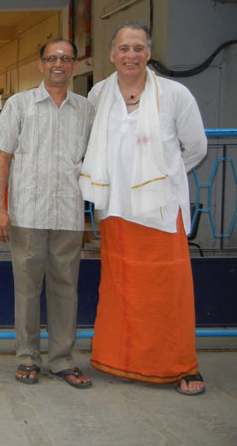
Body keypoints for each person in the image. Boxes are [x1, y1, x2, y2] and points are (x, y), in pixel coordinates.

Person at [80, 22, 208, 395]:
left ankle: (183, 366)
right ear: (112, 55)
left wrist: (157, 178)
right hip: (117, 211)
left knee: (169, 293)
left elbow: (196, 147)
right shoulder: (100, 94)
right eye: (123, 48)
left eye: (138, 48)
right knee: (124, 292)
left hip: (159, 211)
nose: (130, 55)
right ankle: (122, 362)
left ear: (148, 54)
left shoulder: (174, 94)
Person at [0, 39, 94, 388]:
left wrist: (93, 214)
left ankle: (63, 359)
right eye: (51, 58)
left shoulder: (86, 110)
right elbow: (1, 157)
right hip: (27, 213)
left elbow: (95, 163)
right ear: (41, 65)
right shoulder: (20, 105)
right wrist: (0, 208)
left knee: (67, 289)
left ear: (75, 65)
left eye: (65, 58)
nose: (58, 64)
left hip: (68, 212)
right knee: (27, 289)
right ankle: (28, 358)